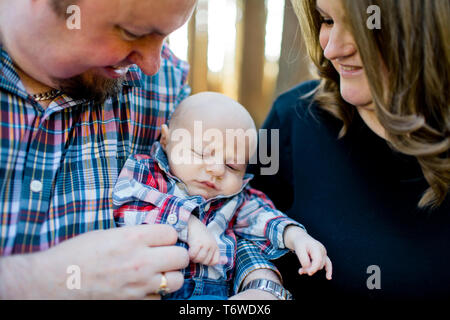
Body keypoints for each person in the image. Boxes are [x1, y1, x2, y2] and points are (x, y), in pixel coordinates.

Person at [0, 0, 284, 299]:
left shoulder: (165, 85)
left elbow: (223, 214)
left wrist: (261, 282)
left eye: (166, 37)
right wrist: (38, 281)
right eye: (132, 32)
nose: (152, 65)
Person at [247, 0, 450, 302]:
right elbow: (236, 224)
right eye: (326, 21)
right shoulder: (293, 120)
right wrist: (262, 284)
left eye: (359, 28)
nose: (331, 50)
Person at [112, 92, 333, 299]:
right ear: (166, 141)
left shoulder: (236, 199)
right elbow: (128, 204)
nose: (217, 170)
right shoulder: (148, 173)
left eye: (232, 166)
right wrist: (189, 223)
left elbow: (262, 217)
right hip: (155, 287)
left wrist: (297, 237)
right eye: (201, 153)